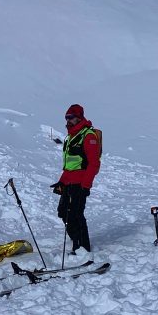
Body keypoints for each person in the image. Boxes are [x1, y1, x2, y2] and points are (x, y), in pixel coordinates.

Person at [52, 104, 101, 257]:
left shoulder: (88, 135)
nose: (68, 120)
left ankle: (82, 248)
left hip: (80, 183)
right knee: (63, 213)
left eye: (71, 117)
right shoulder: (71, 136)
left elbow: (94, 163)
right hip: (68, 182)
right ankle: (76, 240)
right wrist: (61, 182)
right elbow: (69, 165)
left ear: (79, 117)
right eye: (66, 117)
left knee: (76, 214)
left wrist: (86, 186)